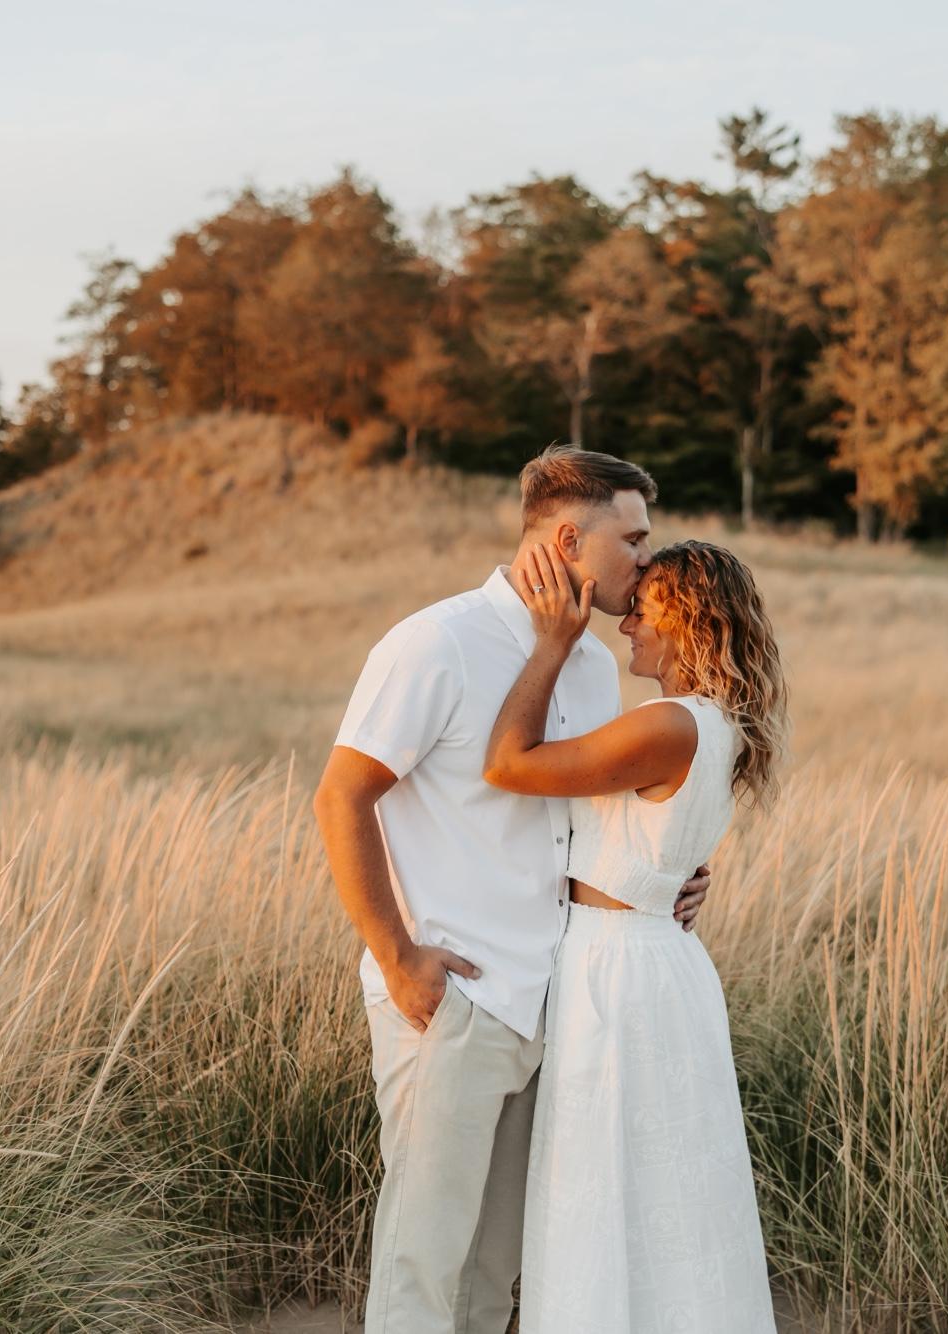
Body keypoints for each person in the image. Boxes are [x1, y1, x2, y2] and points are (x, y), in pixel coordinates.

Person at [312, 446, 712, 1334]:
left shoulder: (594, 667)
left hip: (553, 1000)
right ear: (569, 540)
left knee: (495, 1275)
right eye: (632, 539)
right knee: (423, 1262)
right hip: (453, 998)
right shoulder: (437, 642)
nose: (647, 558)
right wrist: (398, 958)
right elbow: (341, 796)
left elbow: (585, 818)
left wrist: (670, 875)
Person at [483, 537, 788, 1333]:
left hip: (617, 973)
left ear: (688, 622)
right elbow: (654, 844)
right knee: (663, 1192)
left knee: (601, 1187)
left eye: (644, 613)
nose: (626, 627)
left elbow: (508, 765)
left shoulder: (667, 725)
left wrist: (552, 644)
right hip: (654, 961)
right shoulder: (718, 724)